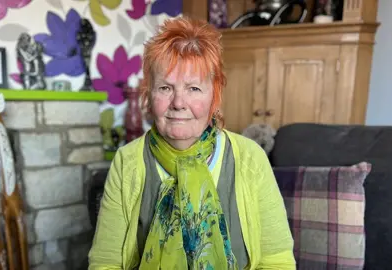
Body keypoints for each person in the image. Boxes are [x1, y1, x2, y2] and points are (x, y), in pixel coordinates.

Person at [88, 16, 295, 270]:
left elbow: (278, 262)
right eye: (165, 88)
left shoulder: (250, 158)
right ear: (149, 94)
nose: (178, 102)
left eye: (193, 88)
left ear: (214, 96)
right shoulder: (127, 162)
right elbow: (105, 263)